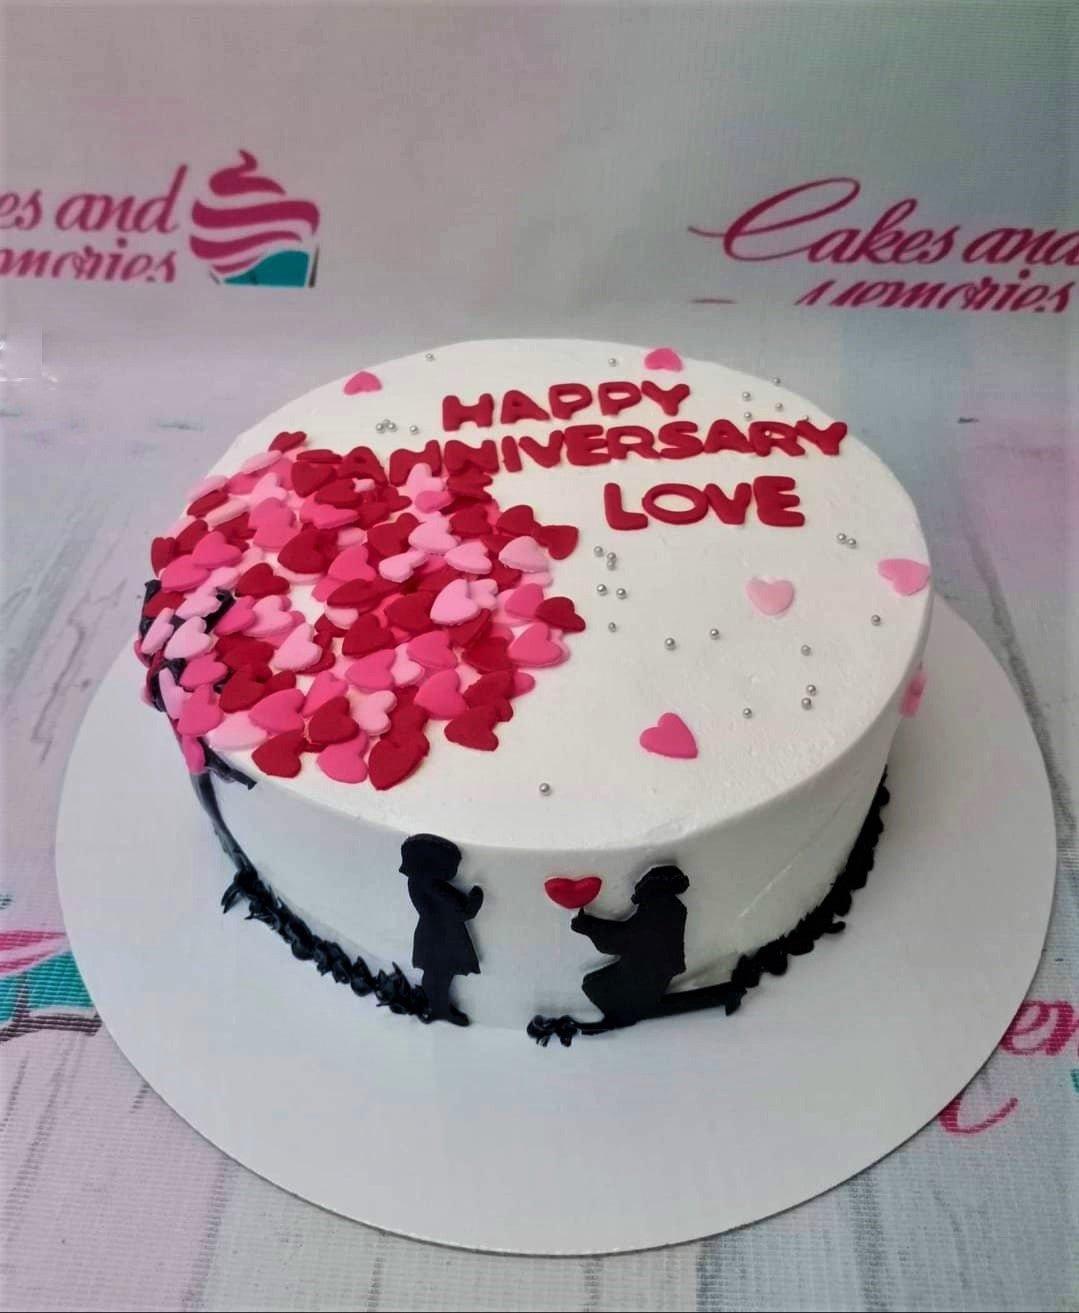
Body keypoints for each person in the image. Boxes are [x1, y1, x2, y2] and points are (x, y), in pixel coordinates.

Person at [571, 865, 689, 1029]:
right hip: (656, 971)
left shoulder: (656, 909)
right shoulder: (674, 909)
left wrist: (589, 926)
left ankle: (623, 1015)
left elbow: (622, 939)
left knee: (592, 985)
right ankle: (627, 1013)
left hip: (642, 974)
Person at [400, 834, 483, 1026]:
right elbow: (464, 911)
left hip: (430, 934)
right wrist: (477, 897)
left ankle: (435, 1007)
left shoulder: (414, 882)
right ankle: (439, 1009)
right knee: (440, 975)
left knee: (434, 974)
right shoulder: (432, 885)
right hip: (443, 938)